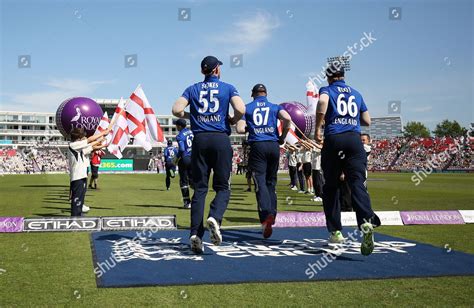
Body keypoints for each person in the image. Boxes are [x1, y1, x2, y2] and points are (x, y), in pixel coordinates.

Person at [172, 55, 245, 254]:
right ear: (217, 70)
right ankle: (215, 217)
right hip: (220, 139)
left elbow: (176, 109)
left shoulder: (192, 88)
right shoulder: (228, 87)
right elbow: (240, 108)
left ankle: (195, 234)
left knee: (200, 189)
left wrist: (193, 115)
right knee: (223, 187)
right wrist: (232, 119)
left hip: (200, 140)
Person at [314, 62, 380, 256]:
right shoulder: (356, 93)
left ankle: (335, 231)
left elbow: (323, 102)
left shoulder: (326, 90)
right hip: (354, 139)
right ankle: (366, 220)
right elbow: (367, 120)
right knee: (357, 183)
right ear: (343, 76)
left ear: (328, 77)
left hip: (335, 138)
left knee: (331, 186)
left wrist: (319, 126)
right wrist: (349, 118)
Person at [237, 84, 291, 238]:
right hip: (273, 145)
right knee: (271, 182)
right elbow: (287, 118)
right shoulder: (275, 107)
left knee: (260, 182)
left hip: (258, 145)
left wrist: (250, 128)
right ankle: (272, 213)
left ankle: (266, 215)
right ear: (266, 93)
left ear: (252, 94)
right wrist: (283, 136)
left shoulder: (247, 108)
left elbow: (240, 129)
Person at [68, 127, 109, 216]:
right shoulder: (73, 145)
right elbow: (90, 140)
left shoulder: (79, 147)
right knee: (77, 198)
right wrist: (103, 133)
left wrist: (101, 140)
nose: (84, 138)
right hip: (77, 176)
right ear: (78, 137)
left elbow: (91, 147)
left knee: (81, 198)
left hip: (81, 176)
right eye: (82, 136)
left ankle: (78, 214)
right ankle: (75, 217)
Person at [175, 118, 194, 209]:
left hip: (185, 158)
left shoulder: (180, 136)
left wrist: (176, 158)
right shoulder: (191, 132)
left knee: (183, 181)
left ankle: (187, 202)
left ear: (179, 126)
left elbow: (182, 149)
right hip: (194, 158)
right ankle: (197, 200)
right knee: (193, 180)